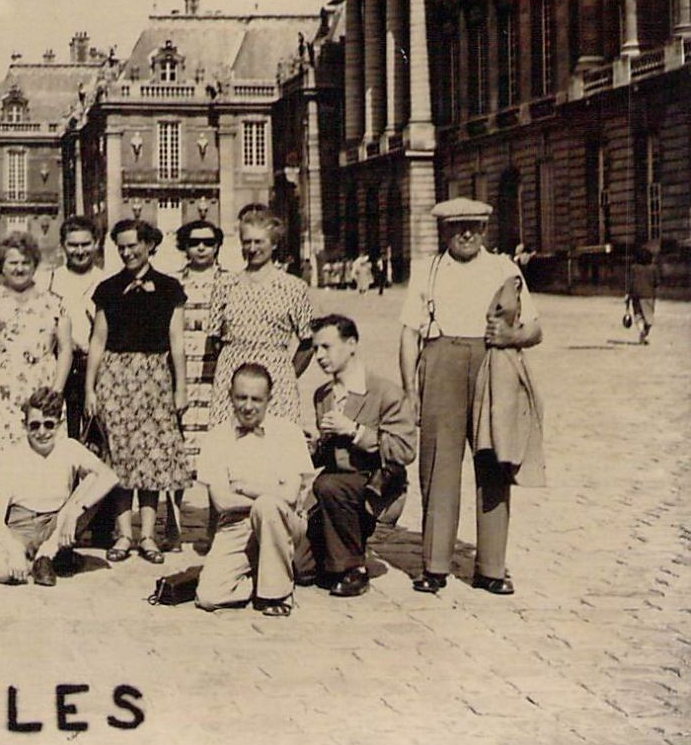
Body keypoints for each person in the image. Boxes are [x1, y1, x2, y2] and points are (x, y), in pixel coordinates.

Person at [400, 198, 541, 596]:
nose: (466, 234)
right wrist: (411, 390)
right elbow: (409, 334)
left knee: (494, 464)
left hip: (492, 366)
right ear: (444, 230)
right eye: (458, 227)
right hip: (440, 362)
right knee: (438, 466)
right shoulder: (425, 270)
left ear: (485, 230)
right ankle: (435, 566)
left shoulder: (504, 269)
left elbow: (535, 327)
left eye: (474, 227)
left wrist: (512, 336)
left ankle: (491, 568)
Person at [86, 219, 189, 564]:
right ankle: (123, 534)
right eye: (122, 247)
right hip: (115, 376)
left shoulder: (170, 288)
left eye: (133, 245)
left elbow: (177, 343)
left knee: (152, 458)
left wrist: (181, 388)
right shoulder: (108, 288)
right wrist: (90, 389)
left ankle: (148, 535)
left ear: (149, 245)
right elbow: (97, 341)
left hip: (155, 376)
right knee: (118, 457)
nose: (127, 252)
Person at [302, 314, 417, 597]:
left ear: (351, 344)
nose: (318, 356)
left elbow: (404, 449)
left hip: (375, 484)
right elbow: (328, 455)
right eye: (315, 348)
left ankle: (355, 569)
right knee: (301, 569)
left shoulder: (385, 392)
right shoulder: (323, 395)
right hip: (334, 488)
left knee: (328, 485)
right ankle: (336, 559)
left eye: (326, 347)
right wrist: (311, 446)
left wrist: (354, 430)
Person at [194, 365, 316, 617]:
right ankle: (259, 577)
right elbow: (221, 502)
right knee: (208, 597)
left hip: (283, 524)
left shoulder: (288, 433)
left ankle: (277, 594)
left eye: (256, 399)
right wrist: (271, 492)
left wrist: (247, 488)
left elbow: (291, 496)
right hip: (236, 527)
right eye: (241, 398)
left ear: (269, 400)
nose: (248, 406)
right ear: (230, 396)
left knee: (268, 508)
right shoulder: (217, 438)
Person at [0, 388, 118, 587]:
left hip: (57, 523)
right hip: (20, 527)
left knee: (93, 479)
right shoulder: (11, 455)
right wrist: (13, 552)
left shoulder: (69, 447)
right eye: (35, 426)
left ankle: (47, 554)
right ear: (25, 425)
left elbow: (110, 477)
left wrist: (74, 514)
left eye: (49, 425)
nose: (42, 432)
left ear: (60, 424)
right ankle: (46, 561)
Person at [0, 230, 71, 462]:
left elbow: (64, 350)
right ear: (2, 265)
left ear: (34, 265)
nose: (19, 269)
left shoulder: (54, 303)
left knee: (44, 458)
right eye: (13, 263)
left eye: (25, 262)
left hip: (41, 391)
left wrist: (56, 393)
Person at [210, 210, 315, 432]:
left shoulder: (293, 287)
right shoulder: (225, 284)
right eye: (247, 242)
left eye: (259, 242)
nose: (252, 248)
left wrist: (286, 374)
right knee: (230, 442)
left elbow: (308, 342)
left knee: (276, 443)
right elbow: (215, 337)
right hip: (232, 376)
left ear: (274, 244)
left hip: (276, 377)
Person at [172, 219, 232, 549]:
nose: (201, 248)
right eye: (195, 242)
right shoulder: (174, 282)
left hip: (216, 374)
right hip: (182, 372)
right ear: (184, 245)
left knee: (214, 451)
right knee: (178, 448)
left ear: (217, 246)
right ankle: (174, 522)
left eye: (208, 243)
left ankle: (214, 523)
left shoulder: (229, 282)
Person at [42, 216, 106, 438]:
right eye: (73, 245)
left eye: (85, 244)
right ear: (63, 246)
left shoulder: (107, 281)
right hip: (59, 368)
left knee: (97, 434)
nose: (80, 251)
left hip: (97, 367)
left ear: (96, 243)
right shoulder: (48, 280)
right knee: (62, 433)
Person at [625, 242, 657, 345]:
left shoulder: (634, 268)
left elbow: (630, 282)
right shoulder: (653, 268)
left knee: (638, 315)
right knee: (649, 317)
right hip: (649, 295)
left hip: (636, 295)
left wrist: (627, 294)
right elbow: (657, 282)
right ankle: (645, 332)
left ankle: (641, 331)